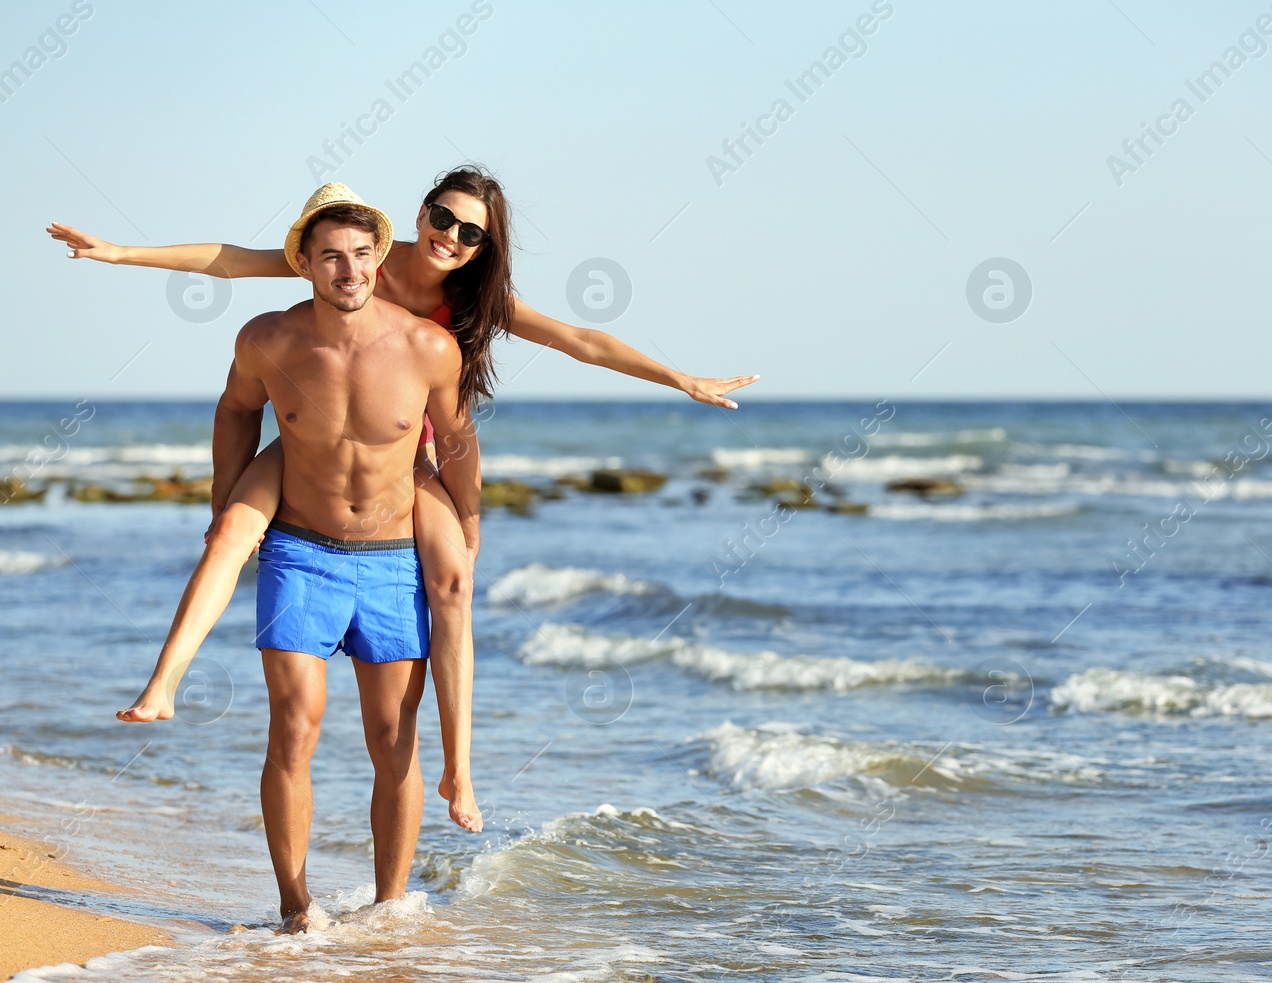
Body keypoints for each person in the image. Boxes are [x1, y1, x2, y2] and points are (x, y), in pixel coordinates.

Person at [48, 168, 760, 834]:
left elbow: (580, 341)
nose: (451, 235)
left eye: (471, 231)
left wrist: (679, 378)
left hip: (410, 459)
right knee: (231, 529)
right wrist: (116, 253)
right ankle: (164, 684)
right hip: (314, 443)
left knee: (454, 580)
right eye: (444, 217)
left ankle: (460, 772)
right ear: (421, 214)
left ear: (486, 244)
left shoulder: (475, 303)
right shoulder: (362, 261)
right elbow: (231, 259)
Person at [221, 192, 472, 932]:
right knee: (294, 725)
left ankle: (391, 906)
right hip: (302, 550)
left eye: (363, 254)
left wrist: (468, 524)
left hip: (395, 558)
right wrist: (225, 504)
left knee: (394, 737)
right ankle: (296, 904)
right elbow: (235, 409)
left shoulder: (428, 347)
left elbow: (455, 438)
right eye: (332, 255)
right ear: (305, 262)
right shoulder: (268, 339)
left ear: (379, 258)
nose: (350, 269)